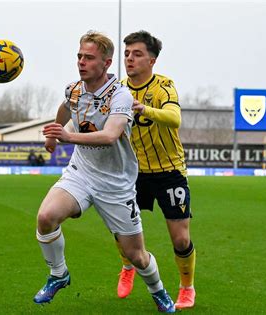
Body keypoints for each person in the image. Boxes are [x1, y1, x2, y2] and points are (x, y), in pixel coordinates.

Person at [33, 31, 175, 313]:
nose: (81, 63)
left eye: (89, 58)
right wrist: (52, 135)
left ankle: (158, 291)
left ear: (106, 63)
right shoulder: (73, 89)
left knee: (137, 256)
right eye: (79, 56)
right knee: (46, 217)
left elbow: (110, 135)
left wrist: (67, 137)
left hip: (116, 184)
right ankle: (59, 274)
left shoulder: (120, 96)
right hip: (81, 174)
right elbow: (65, 108)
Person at [114, 30, 196, 310]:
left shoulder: (164, 86)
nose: (129, 59)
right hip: (132, 173)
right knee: (122, 229)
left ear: (152, 60)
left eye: (136, 54)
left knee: (181, 237)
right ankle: (127, 267)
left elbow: (174, 119)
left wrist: (144, 109)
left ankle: (187, 288)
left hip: (169, 170)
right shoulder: (118, 89)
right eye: (127, 54)